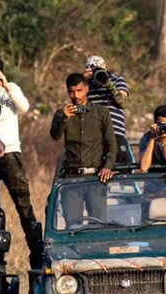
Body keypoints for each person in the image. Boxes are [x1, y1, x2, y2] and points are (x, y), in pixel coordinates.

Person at [0, 54, 42, 267]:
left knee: (23, 204)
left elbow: (24, 107)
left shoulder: (10, 87)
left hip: (11, 152)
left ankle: (37, 253)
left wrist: (6, 84)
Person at [50, 73, 117, 228]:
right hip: (71, 179)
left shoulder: (101, 112)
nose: (76, 96)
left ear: (86, 89)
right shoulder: (62, 113)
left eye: (79, 91)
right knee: (73, 226)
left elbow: (111, 144)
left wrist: (108, 166)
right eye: (72, 92)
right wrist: (64, 119)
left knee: (99, 226)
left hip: (95, 178)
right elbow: (55, 135)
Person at [83, 55, 131, 164]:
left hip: (115, 133)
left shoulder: (116, 79)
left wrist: (108, 84)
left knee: (123, 166)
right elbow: (77, 101)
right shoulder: (85, 85)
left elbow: (123, 102)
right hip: (94, 136)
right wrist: (83, 80)